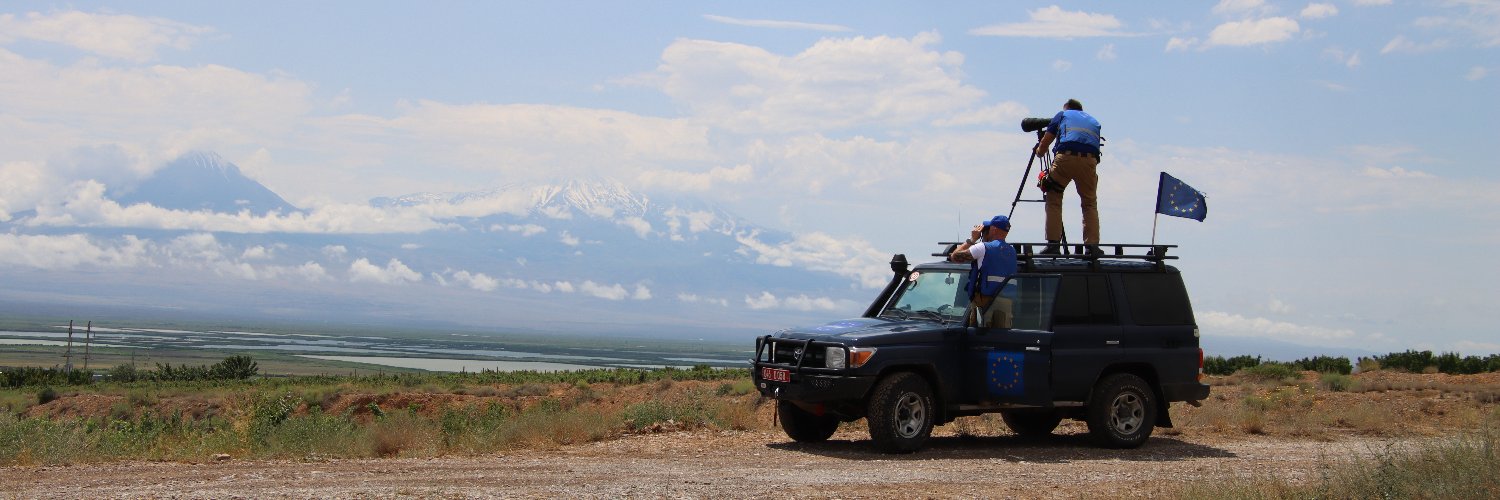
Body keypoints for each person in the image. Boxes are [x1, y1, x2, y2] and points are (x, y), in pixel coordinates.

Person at [1034, 99, 1103, 255]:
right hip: (1089, 161)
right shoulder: (1093, 120)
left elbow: (1047, 140)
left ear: (1067, 108)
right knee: (1089, 203)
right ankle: (1092, 247)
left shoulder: (1062, 114)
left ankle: (1053, 245)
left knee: (1054, 198)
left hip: (1065, 158)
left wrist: (1039, 151)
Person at [948, 215, 1017, 328]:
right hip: (1006, 303)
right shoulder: (1012, 251)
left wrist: (972, 239)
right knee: (1002, 339)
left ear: (993, 229)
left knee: (981, 340)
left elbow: (954, 257)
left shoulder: (983, 247)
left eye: (987, 229)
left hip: (985, 302)